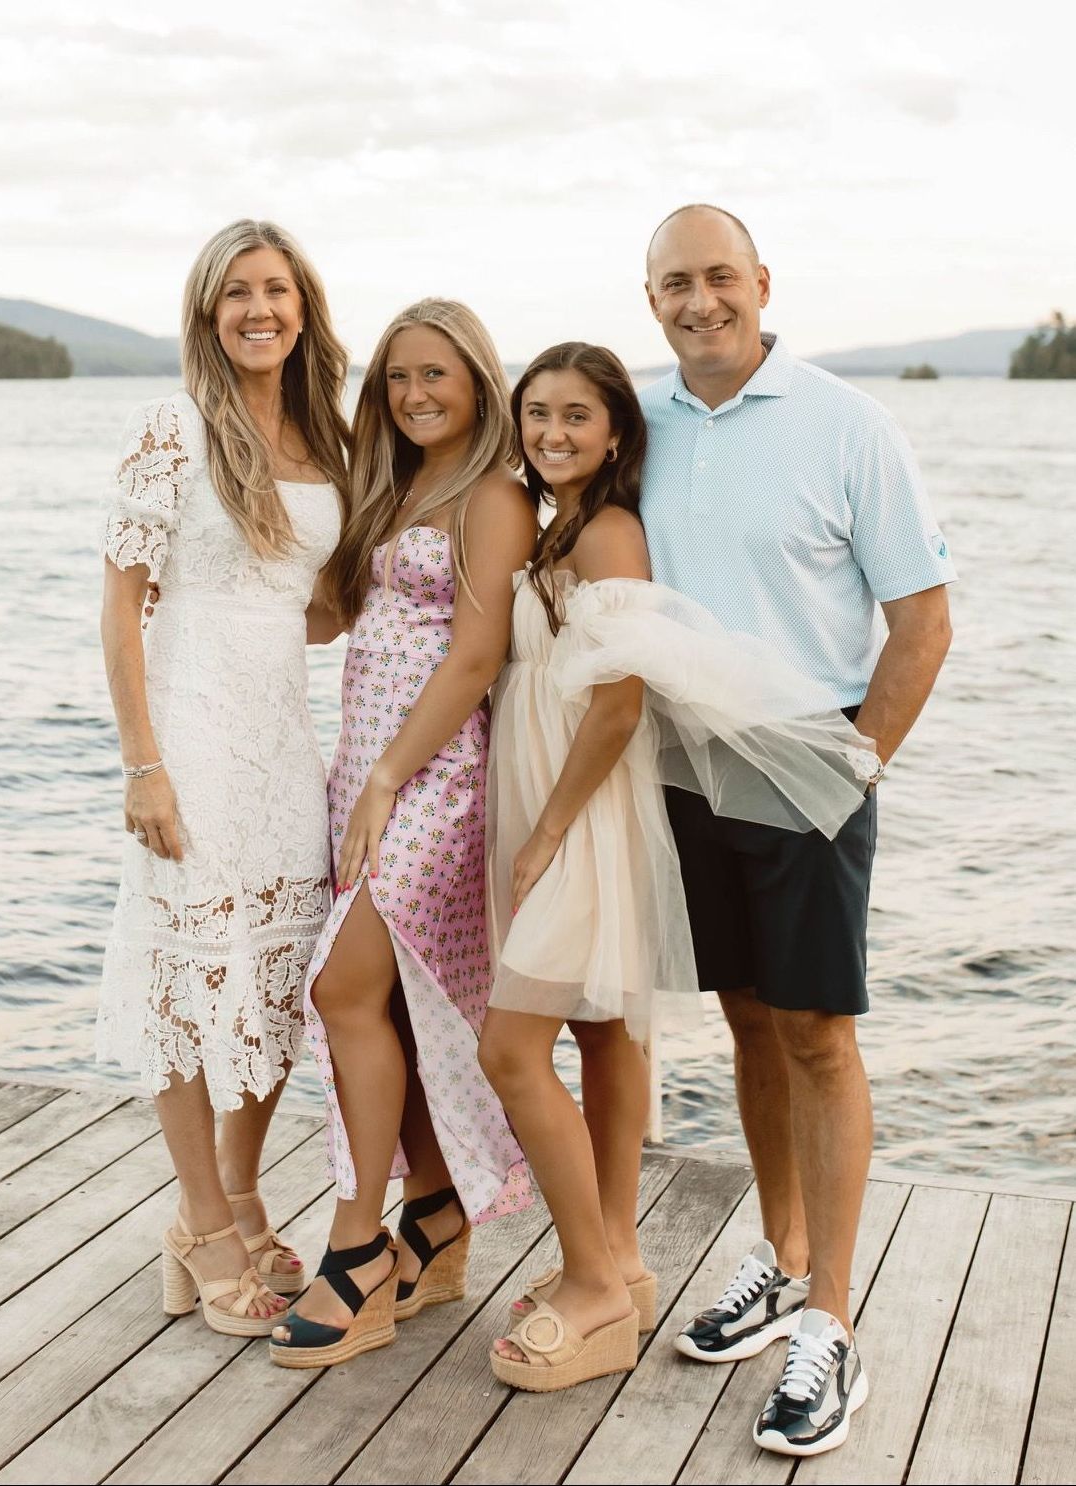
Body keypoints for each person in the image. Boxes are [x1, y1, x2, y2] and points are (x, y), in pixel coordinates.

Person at [479, 342, 876, 1394]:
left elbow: (617, 700)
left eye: (576, 416)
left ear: (618, 434)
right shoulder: (551, 520)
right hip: (562, 801)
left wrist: (549, 829)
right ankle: (623, 1261)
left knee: (512, 1048)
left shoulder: (608, 531)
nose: (553, 433)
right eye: (535, 414)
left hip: (582, 814)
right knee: (611, 1033)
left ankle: (603, 1278)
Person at [641, 204, 955, 1457]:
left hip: (808, 760)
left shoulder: (847, 425)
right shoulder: (639, 424)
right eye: (675, 281)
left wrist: (854, 764)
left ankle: (831, 1320)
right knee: (748, 1018)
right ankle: (780, 1259)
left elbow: (922, 619)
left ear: (762, 283)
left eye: (720, 276)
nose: (700, 299)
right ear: (649, 295)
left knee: (820, 1032)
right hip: (678, 763)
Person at [269, 299, 535, 1371]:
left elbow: (474, 656)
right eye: (396, 379)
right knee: (391, 1005)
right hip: (365, 769)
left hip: (435, 775)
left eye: (436, 375)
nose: (416, 394)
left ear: (477, 379)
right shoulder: (393, 486)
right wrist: (204, 606)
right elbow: (337, 616)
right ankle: (435, 1213)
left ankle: (356, 1246)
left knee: (340, 989)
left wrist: (385, 779)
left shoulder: (495, 494)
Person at [97, 219, 350, 1335]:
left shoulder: (327, 439)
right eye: (238, 292)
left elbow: (326, 606)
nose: (261, 309)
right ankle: (201, 1223)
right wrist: (142, 763)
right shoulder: (170, 431)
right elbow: (120, 612)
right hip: (190, 740)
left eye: (278, 291)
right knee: (192, 982)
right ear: (209, 311)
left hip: (284, 744)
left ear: (305, 309)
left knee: (281, 981)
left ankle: (241, 1200)